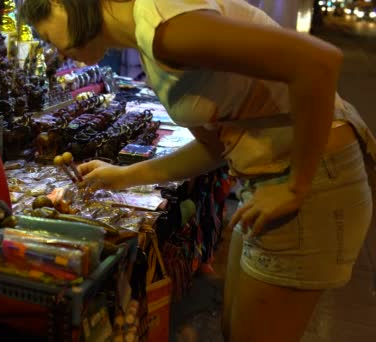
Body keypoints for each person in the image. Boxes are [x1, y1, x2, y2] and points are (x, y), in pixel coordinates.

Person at [20, 0, 376, 341]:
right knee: (233, 329)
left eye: (47, 34)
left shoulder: (164, 27)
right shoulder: (152, 40)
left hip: (311, 182)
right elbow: (216, 148)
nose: (54, 50)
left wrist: (297, 186)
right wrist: (124, 175)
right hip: (268, 179)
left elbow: (318, 62)